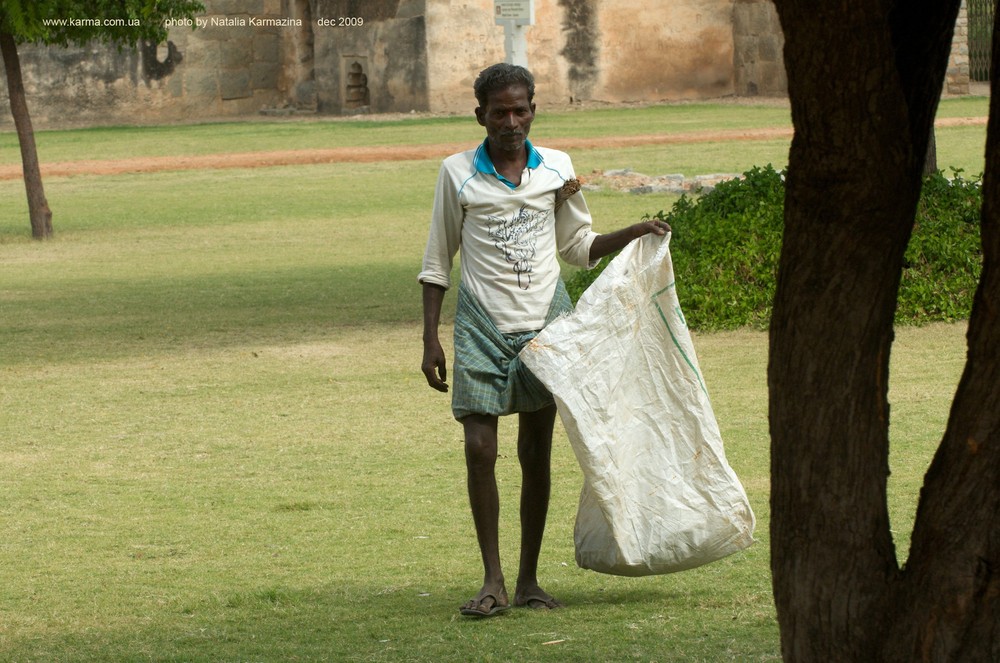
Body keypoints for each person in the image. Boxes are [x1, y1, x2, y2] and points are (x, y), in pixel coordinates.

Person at [418, 63, 669, 617]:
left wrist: (635, 232)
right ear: (479, 114)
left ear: (534, 109)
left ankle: (528, 580)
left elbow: (578, 246)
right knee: (479, 448)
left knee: (536, 451)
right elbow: (438, 259)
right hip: (481, 324)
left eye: (521, 109)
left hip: (547, 325)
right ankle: (492, 580)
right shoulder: (456, 172)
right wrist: (431, 337)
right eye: (499, 111)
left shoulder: (557, 168)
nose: (511, 121)